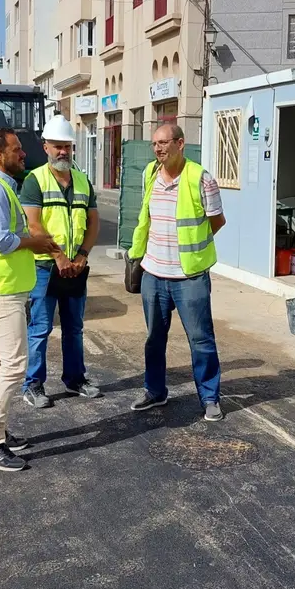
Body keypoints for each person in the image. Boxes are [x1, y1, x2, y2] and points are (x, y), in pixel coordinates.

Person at [0, 127, 60, 472]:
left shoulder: (2, 187)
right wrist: (33, 242)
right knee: (14, 366)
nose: (23, 155)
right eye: (17, 150)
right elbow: (0, 242)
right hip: (0, 292)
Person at [127, 123, 227, 422]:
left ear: (180, 144)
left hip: (189, 276)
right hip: (153, 274)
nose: (158, 148)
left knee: (201, 340)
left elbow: (217, 220)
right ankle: (155, 391)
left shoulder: (200, 178)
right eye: (154, 144)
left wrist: (191, 249)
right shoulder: (148, 174)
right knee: (153, 338)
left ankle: (210, 397)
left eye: (164, 143)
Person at [18, 114, 103, 408]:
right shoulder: (35, 180)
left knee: (74, 327)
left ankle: (75, 379)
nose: (63, 151)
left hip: (75, 268)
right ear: (46, 148)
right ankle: (33, 385)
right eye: (57, 146)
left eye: (67, 146)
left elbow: (93, 224)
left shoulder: (82, 181)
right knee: (40, 327)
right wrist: (59, 256)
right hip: (44, 267)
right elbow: (33, 225)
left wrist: (80, 256)